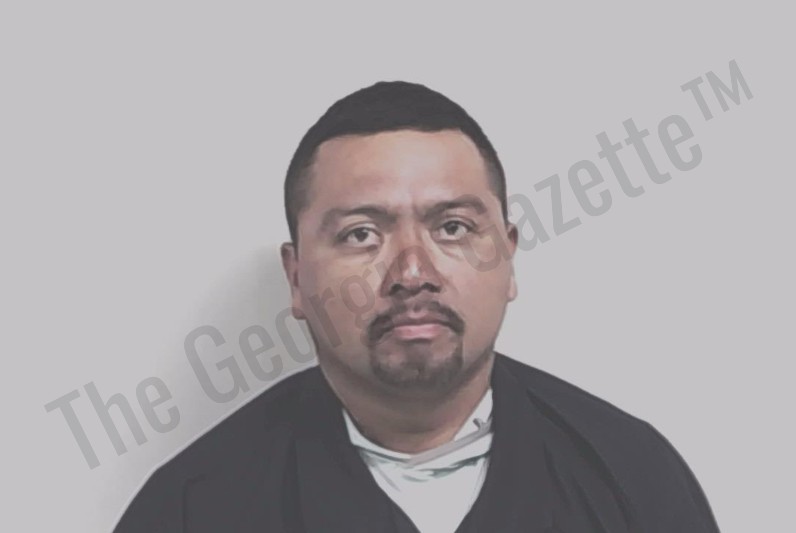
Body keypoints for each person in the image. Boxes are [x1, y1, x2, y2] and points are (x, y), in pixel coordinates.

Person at [114, 81, 720, 532]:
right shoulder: (192, 509)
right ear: (296, 279)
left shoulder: (633, 479)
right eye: (360, 235)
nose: (412, 273)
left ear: (507, 258)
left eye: (452, 227)